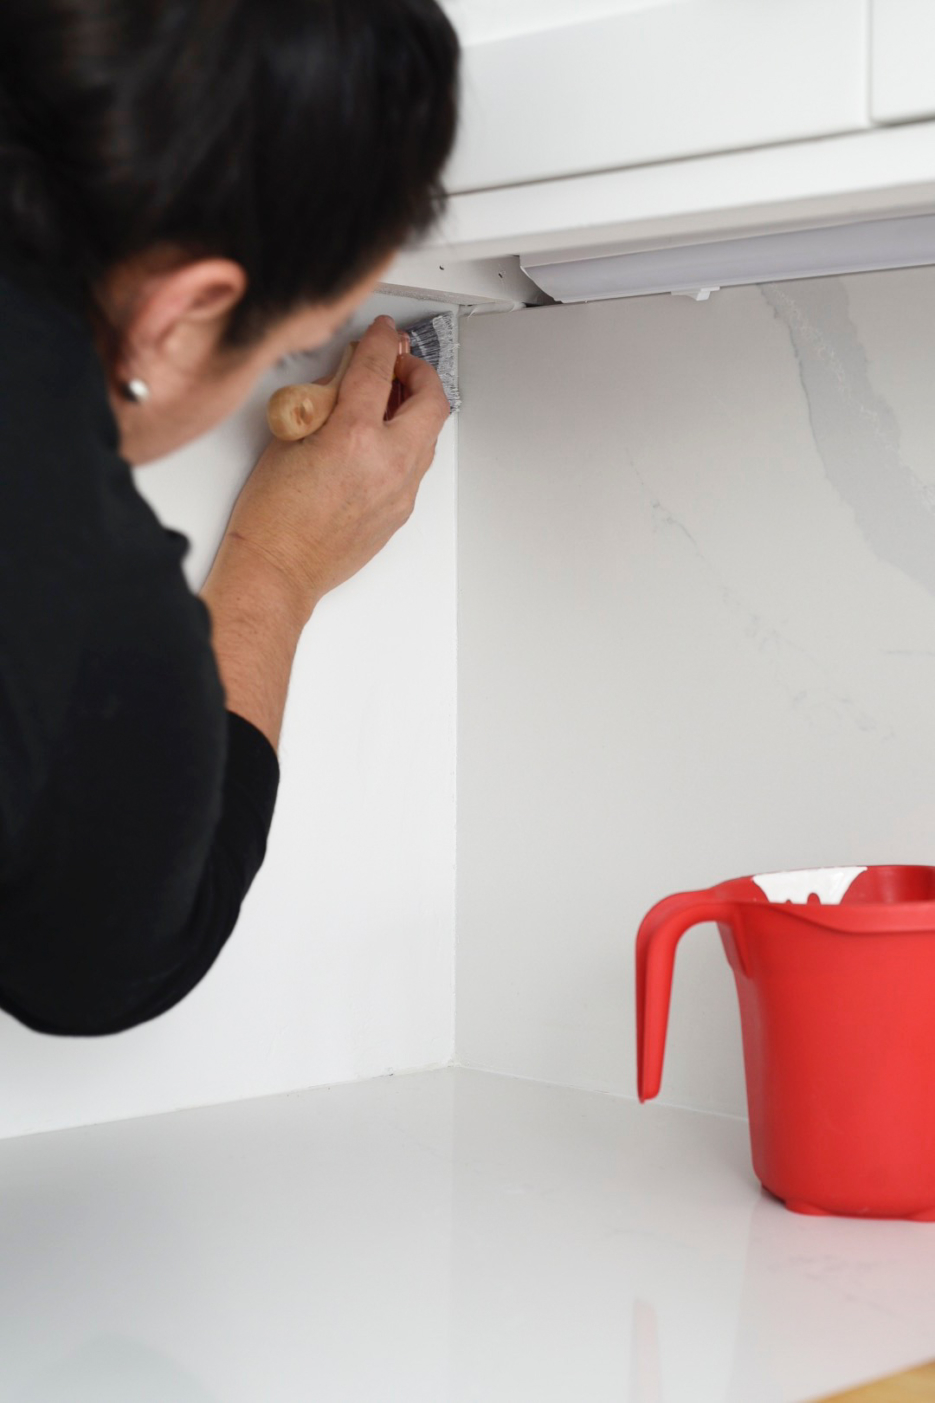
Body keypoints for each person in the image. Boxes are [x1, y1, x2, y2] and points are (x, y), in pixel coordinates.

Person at [0, 0, 460, 1035]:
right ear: (184, 311)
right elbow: (97, 967)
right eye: (287, 347)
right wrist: (275, 566)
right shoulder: (69, 566)